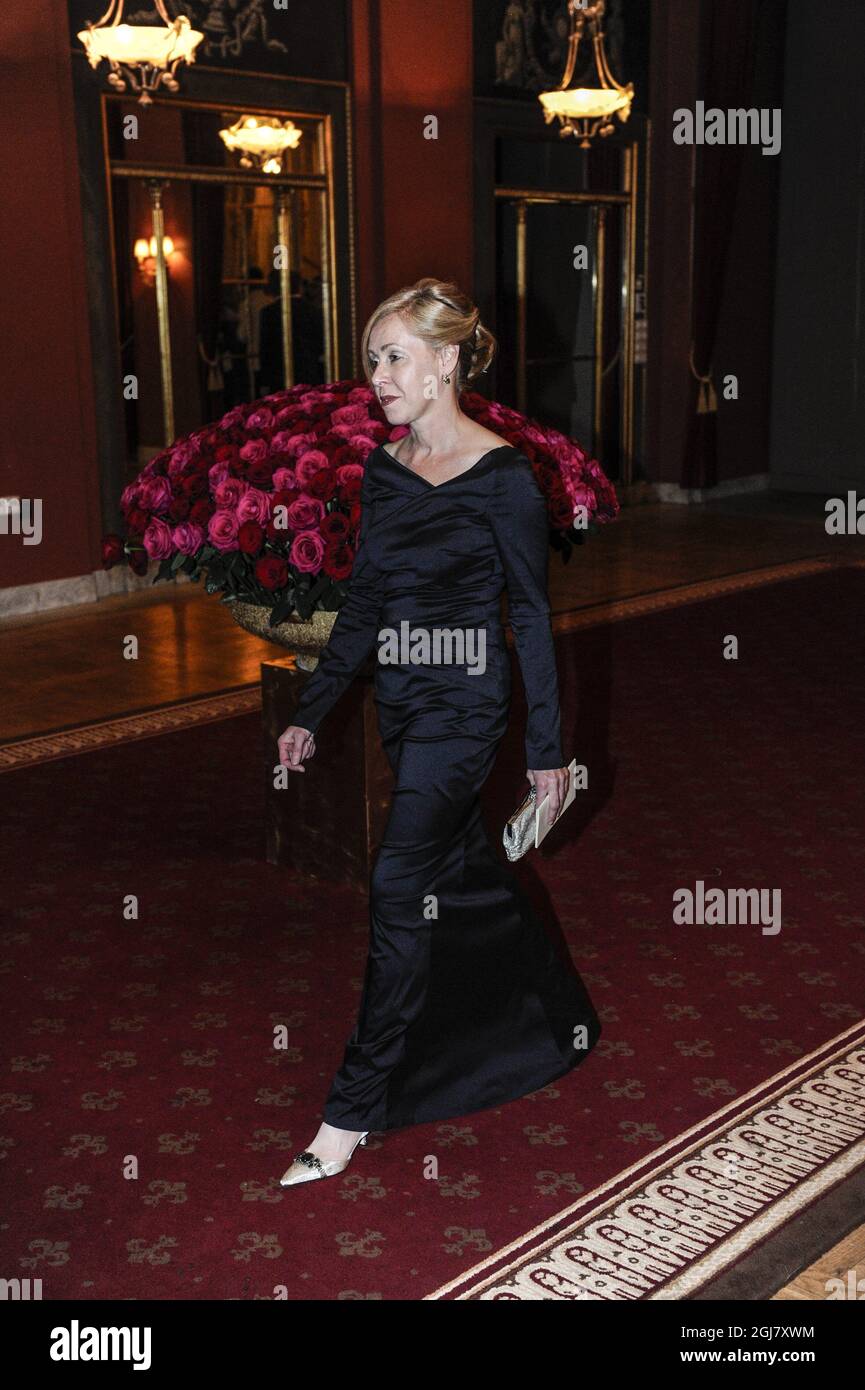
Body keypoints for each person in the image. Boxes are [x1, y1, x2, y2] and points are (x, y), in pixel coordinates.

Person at [276, 277, 601, 1186]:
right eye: (372, 358)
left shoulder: (503, 479)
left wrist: (545, 754)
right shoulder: (385, 468)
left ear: (446, 361)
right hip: (405, 703)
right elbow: (365, 600)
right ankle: (544, 1018)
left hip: (465, 707)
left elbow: (531, 620)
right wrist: (314, 709)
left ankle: (351, 1108)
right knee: (463, 871)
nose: (376, 375)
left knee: (395, 883)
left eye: (393, 356)